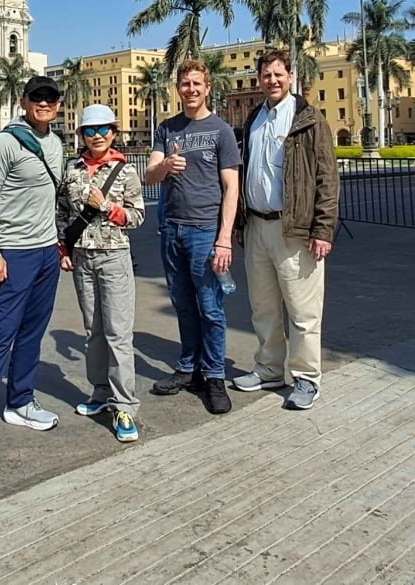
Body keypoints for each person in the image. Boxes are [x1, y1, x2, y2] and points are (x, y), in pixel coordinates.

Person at [0, 75, 66, 470]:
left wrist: (59, 246)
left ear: (58, 105)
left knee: (32, 333)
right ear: (24, 102)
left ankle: (20, 401)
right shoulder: (6, 142)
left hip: (46, 253)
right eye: (37, 98)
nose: (44, 104)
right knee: (0, 335)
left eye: (50, 99)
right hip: (12, 254)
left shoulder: (56, 144)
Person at [232, 50, 340, 411]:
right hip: (258, 227)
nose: (272, 81)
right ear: (259, 78)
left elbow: (327, 176)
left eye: (279, 74)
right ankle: (268, 369)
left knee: (303, 311)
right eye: (266, 75)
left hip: (294, 229)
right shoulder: (255, 117)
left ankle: (307, 378)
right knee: (263, 308)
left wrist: (322, 230)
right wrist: (240, 222)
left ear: (291, 76)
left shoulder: (308, 118)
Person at [144, 59, 241, 416]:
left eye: (197, 83)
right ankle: (189, 367)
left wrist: (224, 238)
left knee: (210, 307)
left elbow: (231, 187)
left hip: (205, 230)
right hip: (171, 227)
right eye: (185, 84)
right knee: (183, 303)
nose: (191, 89)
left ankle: (214, 374)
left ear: (208, 87)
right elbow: (149, 176)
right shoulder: (167, 128)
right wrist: (165, 166)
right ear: (178, 88)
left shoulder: (221, 131)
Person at [57, 104, 146, 444]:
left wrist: (108, 207)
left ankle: (124, 404)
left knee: (118, 333)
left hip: (114, 258)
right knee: (92, 330)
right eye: (90, 131)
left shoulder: (124, 172)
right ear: (81, 135)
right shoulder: (73, 170)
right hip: (82, 259)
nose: (97, 136)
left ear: (114, 132)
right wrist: (64, 250)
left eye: (103, 129)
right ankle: (100, 392)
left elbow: (137, 217)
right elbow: (63, 212)